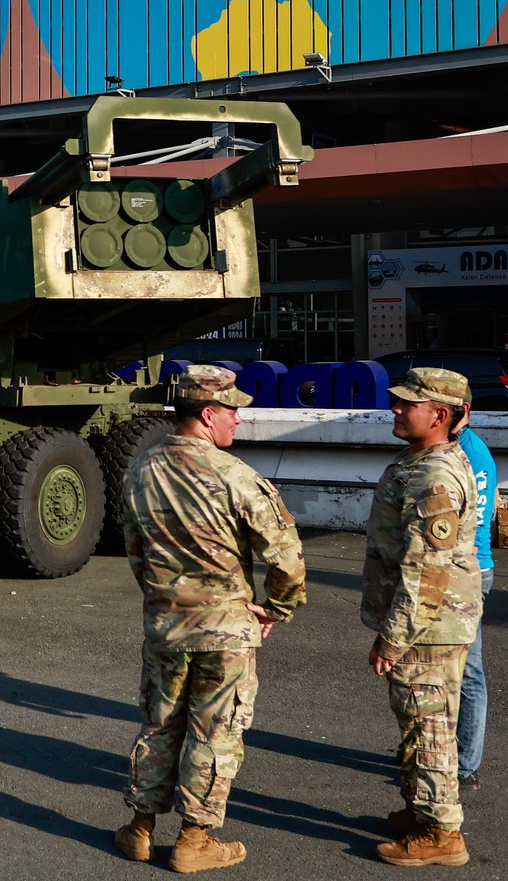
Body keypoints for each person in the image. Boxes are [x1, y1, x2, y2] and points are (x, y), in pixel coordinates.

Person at [116, 364, 307, 872]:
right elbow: (285, 556)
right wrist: (278, 608)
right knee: (214, 732)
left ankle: (139, 829)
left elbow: (135, 550)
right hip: (224, 629)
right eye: (233, 411)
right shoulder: (234, 475)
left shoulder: (142, 469)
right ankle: (194, 839)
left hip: (165, 624)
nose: (238, 421)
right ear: (207, 414)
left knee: (160, 723)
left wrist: (162, 599)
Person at [363, 368, 483, 867]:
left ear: (440, 415)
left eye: (407, 404)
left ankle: (442, 832)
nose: (395, 409)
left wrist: (393, 639)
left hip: (427, 625)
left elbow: (426, 570)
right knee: (417, 721)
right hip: (429, 621)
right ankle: (422, 809)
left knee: (429, 725)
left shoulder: (434, 475)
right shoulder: (421, 461)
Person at [456, 415, 499, 791]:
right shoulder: (462, 449)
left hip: (468, 572)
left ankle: (465, 764)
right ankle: (447, 753)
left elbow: (472, 523)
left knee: (468, 672)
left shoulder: (470, 454)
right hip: (465, 570)